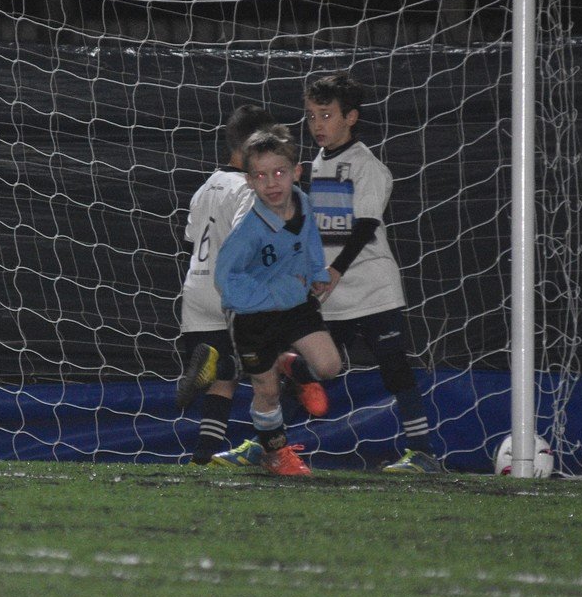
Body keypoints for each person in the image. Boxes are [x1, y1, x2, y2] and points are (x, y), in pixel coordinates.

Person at [304, 70, 443, 474]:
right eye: (311, 116)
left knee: (393, 366)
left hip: (371, 287)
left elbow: (364, 226)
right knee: (313, 366)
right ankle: (271, 443)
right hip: (330, 292)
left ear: (351, 118)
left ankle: (422, 453)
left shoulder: (367, 166)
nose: (317, 125)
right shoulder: (314, 165)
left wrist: (335, 270)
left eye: (326, 115)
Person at [207, 128, 343, 476]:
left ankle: (292, 365)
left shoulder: (303, 201)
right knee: (265, 392)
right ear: (250, 182)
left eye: (279, 172)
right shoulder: (248, 230)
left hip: (296, 306)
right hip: (253, 317)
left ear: (296, 173)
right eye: (261, 176)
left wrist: (317, 271)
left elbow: (311, 239)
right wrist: (272, 294)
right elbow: (225, 280)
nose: (271, 182)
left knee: (329, 366)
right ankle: (275, 454)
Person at [175, 104, 280, 466]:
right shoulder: (247, 190)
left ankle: (203, 457)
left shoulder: (207, 186)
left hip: (196, 292)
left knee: (224, 384)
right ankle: (271, 450)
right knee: (268, 365)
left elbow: (191, 235)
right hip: (228, 293)